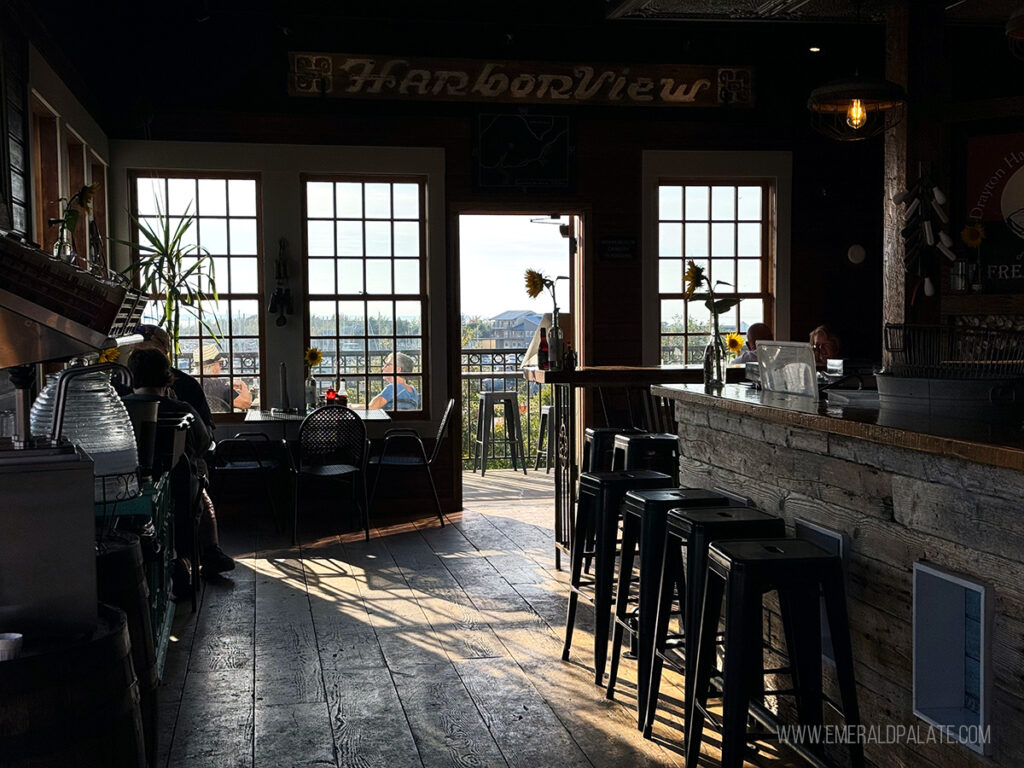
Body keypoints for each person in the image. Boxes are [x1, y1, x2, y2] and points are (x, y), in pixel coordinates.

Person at [124, 348, 235, 591]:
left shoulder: (120, 411)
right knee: (199, 490)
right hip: (181, 488)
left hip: (129, 489)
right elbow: (205, 443)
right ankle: (202, 554)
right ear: (167, 376)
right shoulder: (182, 409)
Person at [133, 324, 214, 431]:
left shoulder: (187, 384)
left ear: (165, 351)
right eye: (137, 353)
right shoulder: (120, 382)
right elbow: (207, 437)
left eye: (151, 352)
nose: (145, 358)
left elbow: (206, 428)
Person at [197, 343, 252, 413]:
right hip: (223, 422)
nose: (221, 367)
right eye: (220, 363)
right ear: (214, 367)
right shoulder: (221, 387)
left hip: (201, 422)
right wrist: (243, 384)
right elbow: (246, 404)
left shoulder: (194, 383)